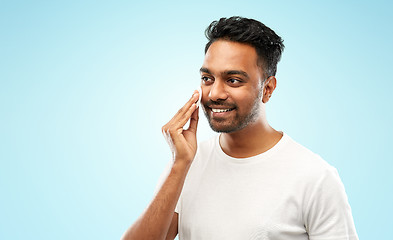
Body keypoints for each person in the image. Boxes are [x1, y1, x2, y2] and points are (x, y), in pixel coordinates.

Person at [122, 16, 358, 240]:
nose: (215, 93)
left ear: (268, 89)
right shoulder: (186, 165)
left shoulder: (315, 177)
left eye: (233, 80)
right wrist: (180, 165)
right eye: (207, 79)